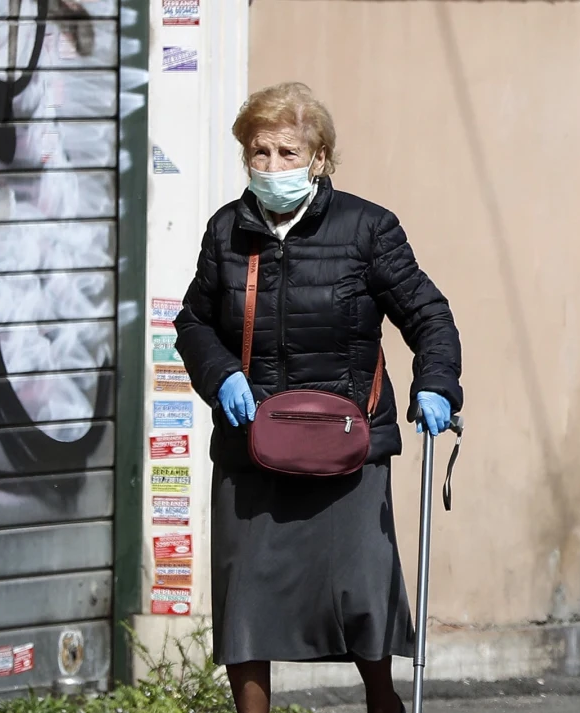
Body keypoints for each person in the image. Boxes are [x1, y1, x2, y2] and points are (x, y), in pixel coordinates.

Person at [174, 81, 462, 713]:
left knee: (361, 594)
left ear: (320, 158)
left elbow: (428, 315)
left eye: (287, 152)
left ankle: (383, 701)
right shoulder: (227, 231)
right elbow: (193, 322)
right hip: (254, 446)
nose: (272, 166)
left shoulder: (368, 228)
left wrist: (437, 384)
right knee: (246, 601)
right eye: (260, 152)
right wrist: (221, 375)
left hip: (348, 447)